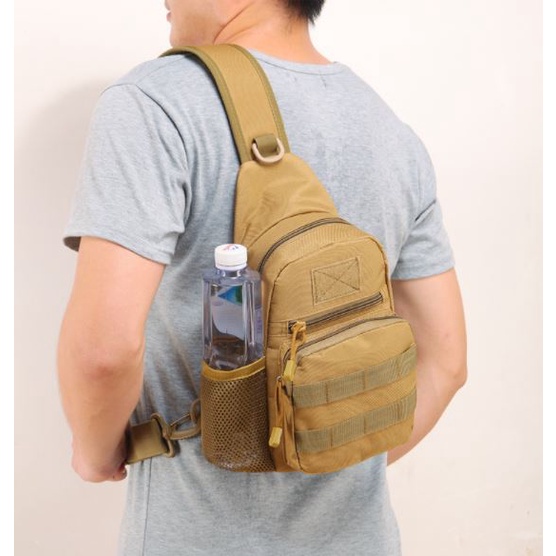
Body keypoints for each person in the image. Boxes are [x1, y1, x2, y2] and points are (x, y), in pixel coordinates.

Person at [57, 0, 467, 554]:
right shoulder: (392, 132)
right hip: (363, 537)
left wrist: (93, 452)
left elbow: (103, 351)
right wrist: (329, 448)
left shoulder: (156, 103)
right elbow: (446, 360)